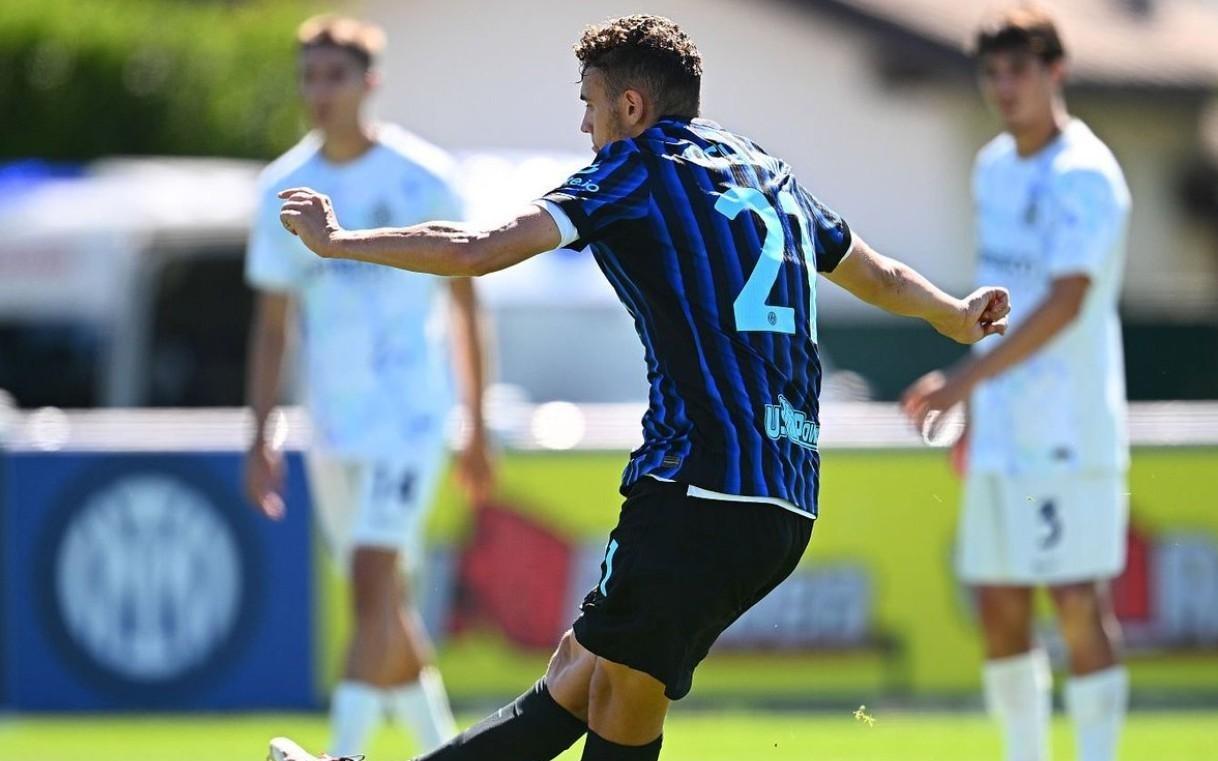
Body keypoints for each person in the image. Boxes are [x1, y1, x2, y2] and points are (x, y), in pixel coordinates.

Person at [268, 15, 1008, 761]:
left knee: (617, 691)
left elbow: (476, 248)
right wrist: (950, 313)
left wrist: (340, 241)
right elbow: (878, 274)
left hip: (699, 486)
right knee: (580, 676)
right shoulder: (763, 169)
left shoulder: (637, 168)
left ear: (631, 106)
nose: (583, 124)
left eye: (589, 103)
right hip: (785, 496)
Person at [244, 14, 494, 757]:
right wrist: (260, 433)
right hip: (332, 424)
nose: (320, 92)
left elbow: (466, 305)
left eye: (335, 76)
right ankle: (443, 749)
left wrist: (476, 420)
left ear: (369, 83)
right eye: (309, 77)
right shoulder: (281, 188)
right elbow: (272, 325)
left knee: (372, 581)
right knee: (385, 603)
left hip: (411, 417)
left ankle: (341, 753)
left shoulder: (425, 177)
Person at [901, 6, 1131, 761]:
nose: (1003, 86)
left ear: (1054, 72)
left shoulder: (1085, 173)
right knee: (999, 605)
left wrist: (963, 381)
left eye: (1019, 69)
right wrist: (977, 410)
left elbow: (1065, 302)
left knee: (1075, 602)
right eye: (991, 72)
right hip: (1002, 430)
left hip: (1069, 430)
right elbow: (1003, 302)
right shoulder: (993, 166)